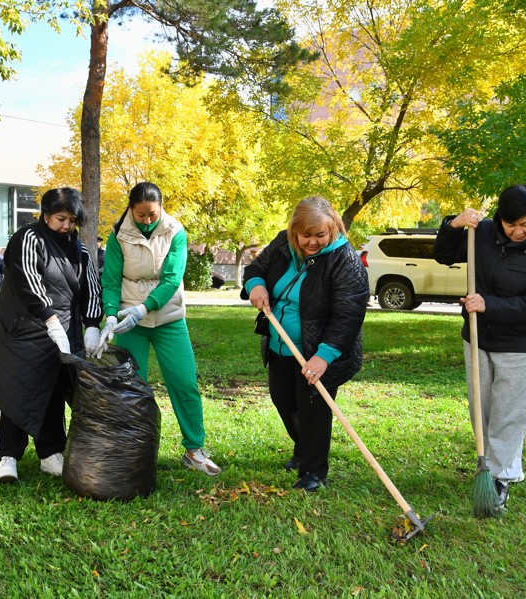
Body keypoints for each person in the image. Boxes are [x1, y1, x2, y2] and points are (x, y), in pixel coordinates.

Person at [433, 184, 526, 509]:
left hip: (520, 343)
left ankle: (500, 477)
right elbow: (444, 255)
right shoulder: (484, 233)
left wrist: (487, 304)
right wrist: (453, 224)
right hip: (478, 336)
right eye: (511, 225)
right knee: (483, 408)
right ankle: (490, 465)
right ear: (500, 219)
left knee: (508, 412)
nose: (518, 232)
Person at [241, 196, 369, 491]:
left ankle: (314, 471)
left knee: (314, 410)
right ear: (294, 231)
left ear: (333, 228)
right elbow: (255, 270)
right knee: (283, 401)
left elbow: (349, 314)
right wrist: (256, 286)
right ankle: (303, 451)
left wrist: (323, 357)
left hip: (320, 350)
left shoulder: (344, 260)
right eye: (306, 235)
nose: (312, 242)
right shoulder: (283, 244)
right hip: (280, 345)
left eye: (320, 235)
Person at [99, 181, 221, 476]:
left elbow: (171, 278)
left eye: (152, 214)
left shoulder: (175, 231)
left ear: (161, 207)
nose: (147, 220)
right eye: (141, 215)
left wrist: (145, 306)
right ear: (131, 208)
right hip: (131, 321)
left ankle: (194, 450)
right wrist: (112, 316)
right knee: (133, 387)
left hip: (168, 318)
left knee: (184, 381)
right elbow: (112, 280)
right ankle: (134, 448)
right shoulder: (118, 235)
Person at [0, 188, 103, 483]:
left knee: (52, 390)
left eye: (72, 220)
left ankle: (50, 453)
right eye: (61, 218)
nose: (67, 225)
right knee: (15, 390)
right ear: (46, 215)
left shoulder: (82, 250)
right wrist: (50, 320)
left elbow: (91, 289)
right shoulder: (28, 238)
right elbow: (28, 281)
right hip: (21, 331)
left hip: (63, 335)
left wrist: (91, 324)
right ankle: (7, 457)